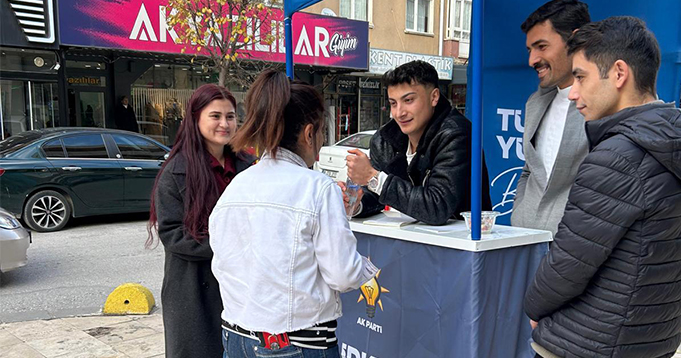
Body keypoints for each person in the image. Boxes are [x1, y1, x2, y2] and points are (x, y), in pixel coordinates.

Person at [524, 16, 681, 358]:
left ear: (619, 73)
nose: (573, 94)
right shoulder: (668, 142)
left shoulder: (618, 156)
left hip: (588, 343)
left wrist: (533, 306)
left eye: (580, 77)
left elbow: (568, 264)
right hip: (653, 339)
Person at [209, 70, 378, 358]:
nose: (323, 144)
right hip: (296, 343)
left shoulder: (236, 186)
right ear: (309, 133)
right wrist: (368, 268)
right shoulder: (318, 188)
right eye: (323, 133)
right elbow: (343, 274)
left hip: (235, 338)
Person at [147, 84, 255, 358]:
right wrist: (229, 246)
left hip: (242, 284)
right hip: (193, 288)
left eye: (230, 116)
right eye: (215, 116)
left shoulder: (248, 166)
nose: (225, 123)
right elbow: (173, 234)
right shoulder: (176, 172)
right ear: (195, 119)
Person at [346, 60, 492, 225]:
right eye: (393, 103)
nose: (399, 113)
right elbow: (377, 194)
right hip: (408, 243)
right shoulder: (384, 139)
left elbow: (437, 207)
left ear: (434, 97)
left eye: (408, 100)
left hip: (461, 244)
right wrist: (357, 204)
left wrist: (373, 178)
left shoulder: (456, 134)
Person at [511, 0, 590, 236]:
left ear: (575, 40)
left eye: (541, 46)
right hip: (525, 244)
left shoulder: (604, 106)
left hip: (577, 251)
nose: (532, 60)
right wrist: (519, 215)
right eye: (529, 50)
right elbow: (529, 170)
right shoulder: (535, 102)